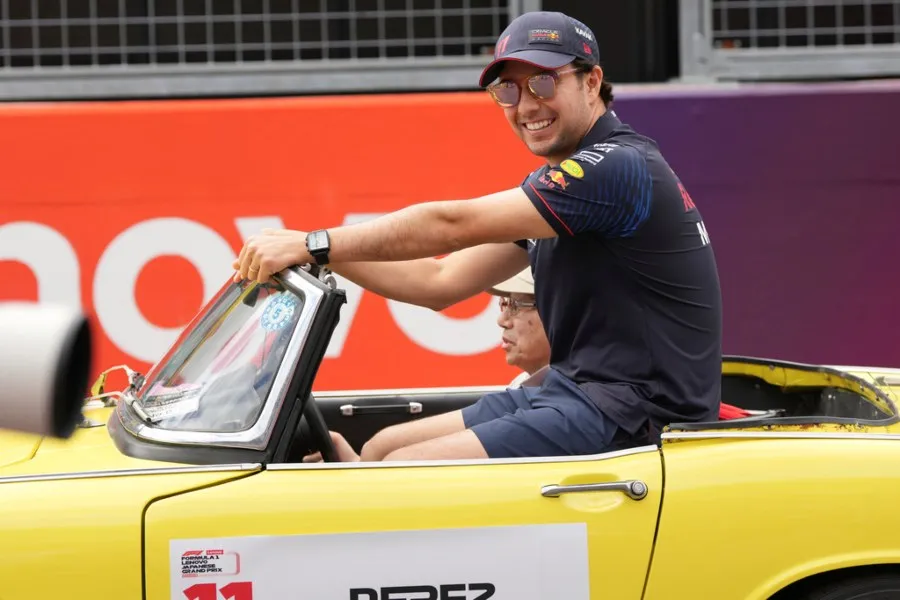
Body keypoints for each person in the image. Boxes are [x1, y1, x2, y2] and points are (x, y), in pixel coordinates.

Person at [234, 10, 723, 463]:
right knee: (381, 446)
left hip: (640, 417)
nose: (525, 105)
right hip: (582, 393)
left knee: (399, 469)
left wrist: (315, 243)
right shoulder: (572, 187)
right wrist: (314, 252)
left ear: (592, 81)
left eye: (542, 82)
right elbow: (440, 281)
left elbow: (451, 226)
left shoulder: (612, 168)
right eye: (508, 91)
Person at [487, 268, 551, 388]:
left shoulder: (585, 394)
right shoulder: (519, 384)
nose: (502, 321)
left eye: (516, 305)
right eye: (505, 303)